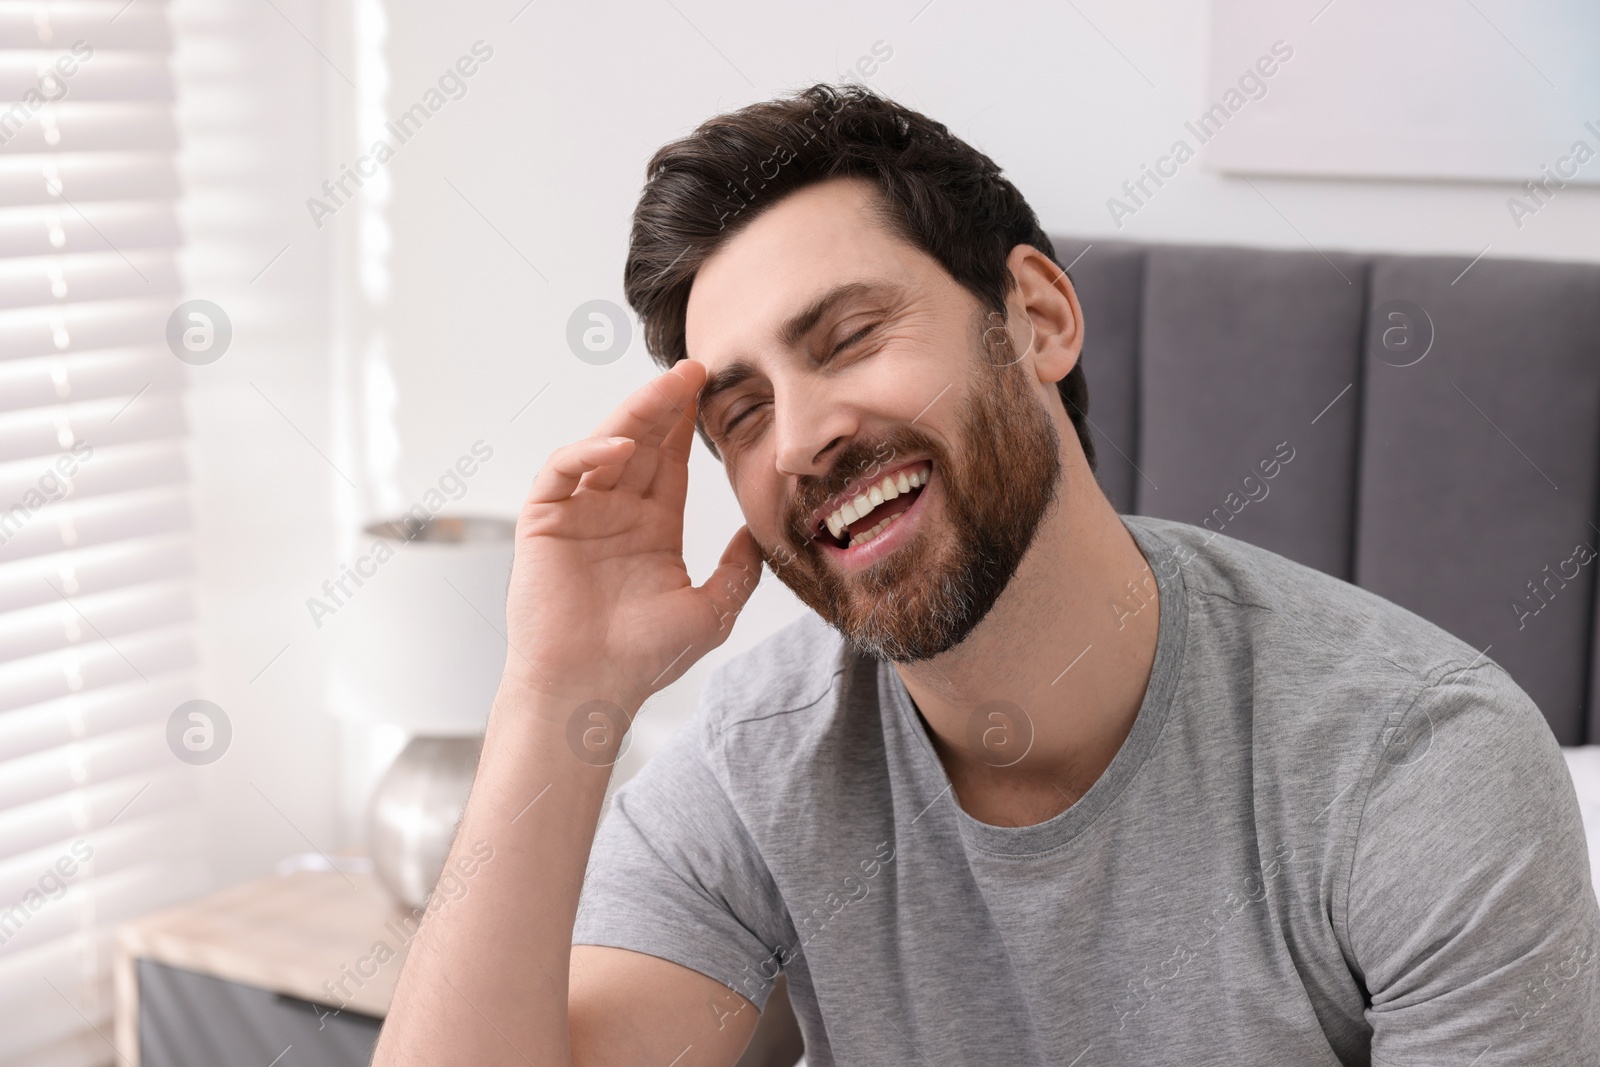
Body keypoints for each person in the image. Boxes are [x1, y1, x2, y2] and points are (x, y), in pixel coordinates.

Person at [372, 84, 1600, 1066]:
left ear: (1038, 317)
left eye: (848, 335)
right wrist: (555, 690)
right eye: (740, 415)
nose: (799, 440)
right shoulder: (762, 763)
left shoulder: (1417, 771)